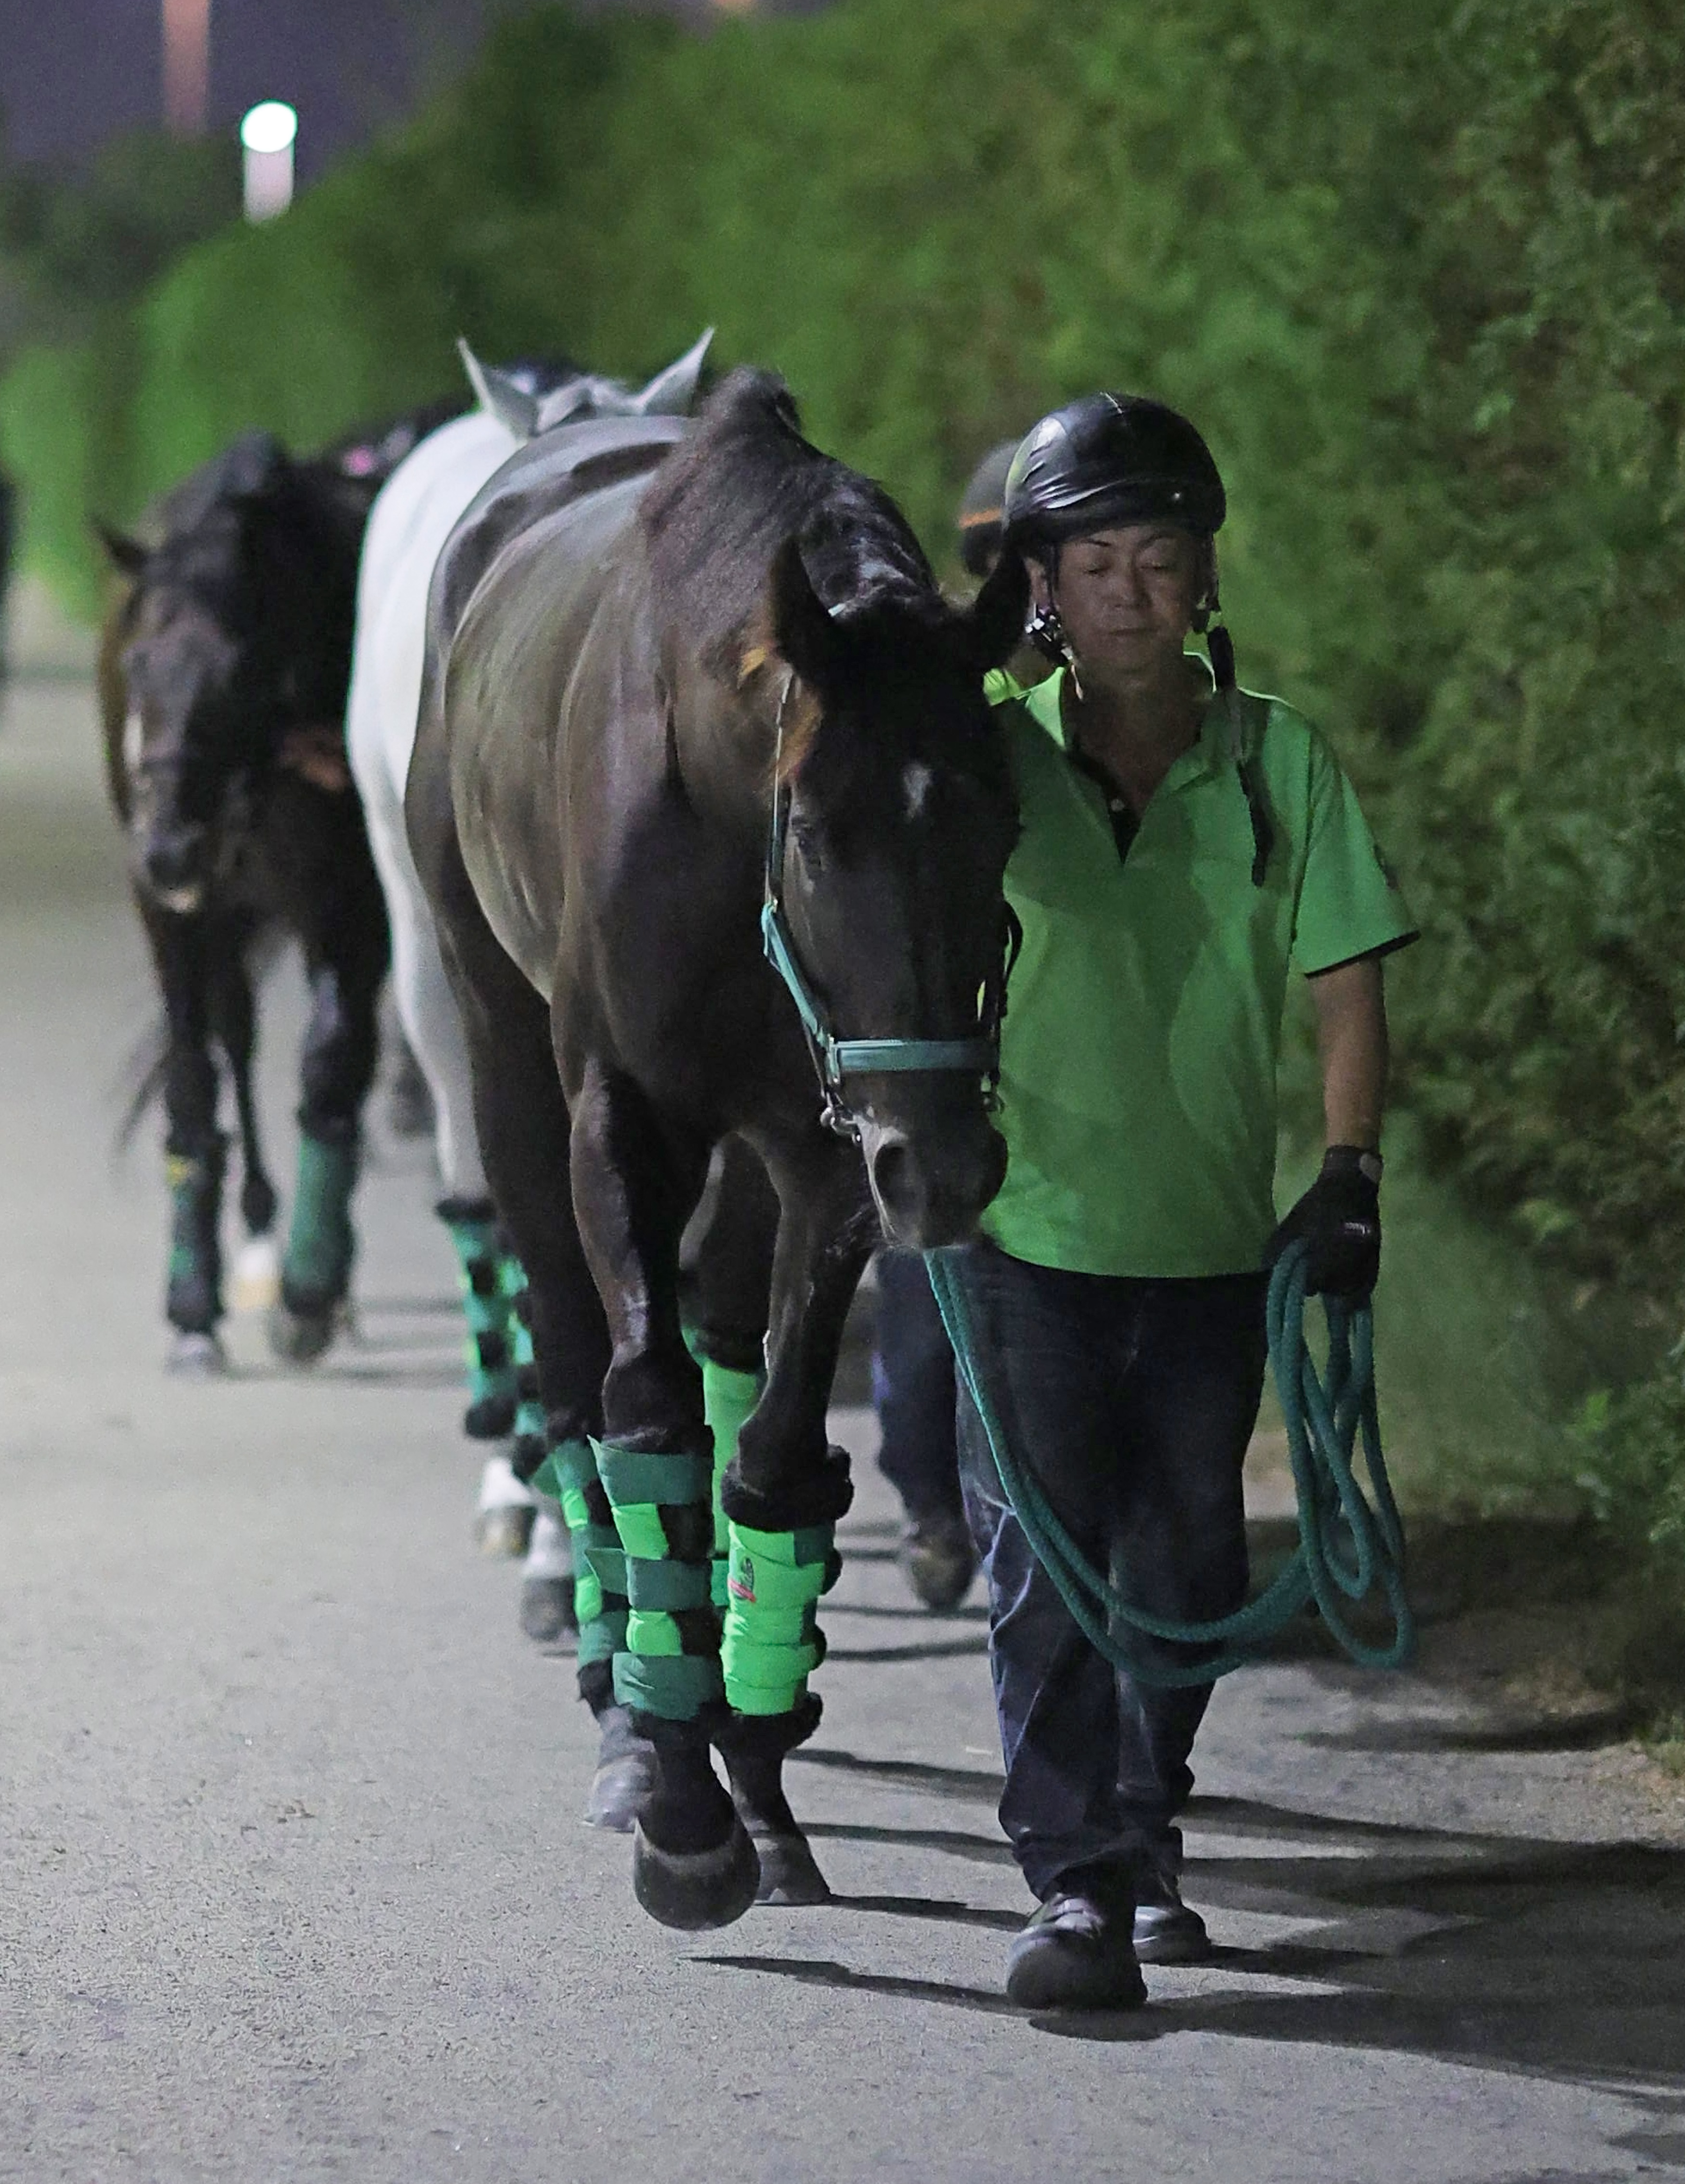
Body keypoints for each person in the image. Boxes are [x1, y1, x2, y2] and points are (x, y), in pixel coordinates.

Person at [947, 393, 1418, 2010]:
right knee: (1043, 1573)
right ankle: (1077, 1882)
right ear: (1042, 589)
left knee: (1194, 1566)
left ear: (1205, 580)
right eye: (1094, 564)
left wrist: (1347, 1173)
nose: (1130, 592)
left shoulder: (1280, 760)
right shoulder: (988, 761)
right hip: (1028, 1238)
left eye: (1160, 560)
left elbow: (1346, 983)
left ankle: (1151, 1825)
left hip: (1214, 1246)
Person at [866, 435, 1035, 1614]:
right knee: (930, 1305)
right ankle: (929, 1498)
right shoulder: (943, 720)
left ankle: (1003, 1511)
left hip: (1052, 1063)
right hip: (948, 1059)